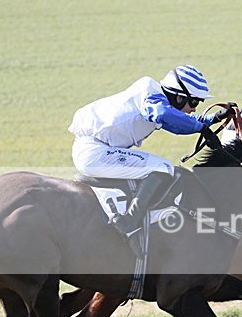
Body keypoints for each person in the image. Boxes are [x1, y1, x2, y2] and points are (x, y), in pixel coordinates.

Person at [69, 65, 232, 254]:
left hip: (98, 150)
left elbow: (176, 125)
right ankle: (129, 222)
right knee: (163, 168)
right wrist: (200, 128)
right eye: (193, 102)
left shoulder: (156, 100)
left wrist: (212, 119)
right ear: (178, 96)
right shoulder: (151, 95)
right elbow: (164, 114)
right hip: (94, 152)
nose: (194, 108)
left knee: (162, 167)